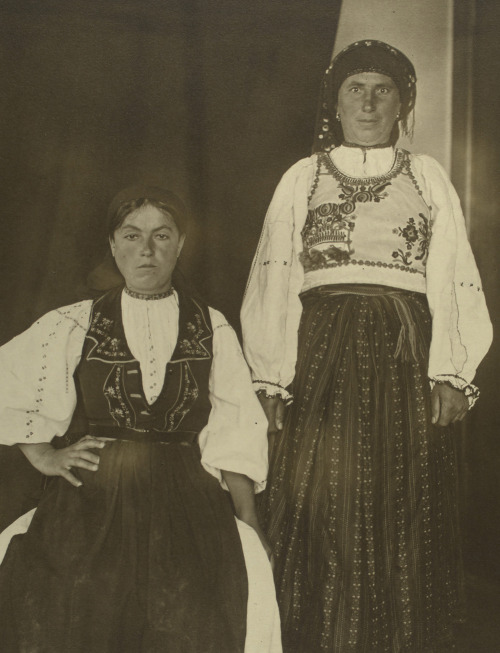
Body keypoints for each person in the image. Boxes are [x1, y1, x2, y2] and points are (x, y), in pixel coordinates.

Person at [241, 40, 492, 652]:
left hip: (403, 354)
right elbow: (274, 273)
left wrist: (454, 372)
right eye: (357, 89)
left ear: (403, 103)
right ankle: (310, 635)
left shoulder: (426, 174)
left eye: (384, 90)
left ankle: (396, 637)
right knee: (316, 489)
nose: (370, 102)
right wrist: (270, 380)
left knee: (399, 492)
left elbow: (454, 271)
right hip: (320, 351)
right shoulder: (303, 176)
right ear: (336, 100)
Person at [0, 185, 281, 653]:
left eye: (162, 236)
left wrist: (249, 521)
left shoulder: (211, 325)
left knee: (202, 604)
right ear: (113, 245)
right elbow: (8, 384)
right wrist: (45, 455)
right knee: (73, 597)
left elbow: (235, 429)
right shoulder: (76, 321)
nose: (146, 250)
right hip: (94, 495)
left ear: (182, 244)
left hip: (185, 495)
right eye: (132, 236)